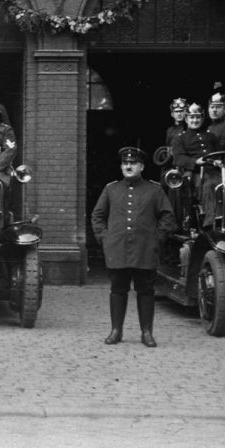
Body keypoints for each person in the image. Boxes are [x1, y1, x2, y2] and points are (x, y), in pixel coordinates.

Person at [90, 146, 175, 347]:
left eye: (133, 163)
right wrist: (105, 238)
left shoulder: (154, 189)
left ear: (142, 166)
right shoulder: (111, 189)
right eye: (125, 163)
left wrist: (157, 239)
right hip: (117, 249)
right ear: (121, 166)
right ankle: (116, 331)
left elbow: (168, 217)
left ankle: (146, 333)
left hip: (145, 249)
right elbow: (97, 216)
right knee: (118, 289)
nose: (129, 166)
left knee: (145, 290)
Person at [171, 102, 219, 228]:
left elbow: (218, 153)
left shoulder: (211, 136)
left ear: (202, 119)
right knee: (210, 185)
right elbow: (179, 158)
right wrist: (195, 162)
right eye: (191, 117)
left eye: (198, 117)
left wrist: (218, 160)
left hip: (214, 170)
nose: (195, 120)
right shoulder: (180, 138)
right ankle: (211, 223)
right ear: (186, 119)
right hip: (194, 172)